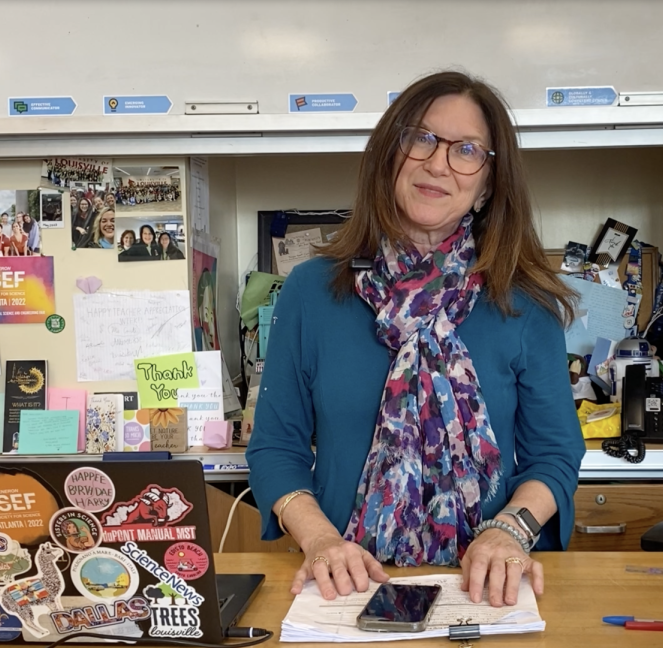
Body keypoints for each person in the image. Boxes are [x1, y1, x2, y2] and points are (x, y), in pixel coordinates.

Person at [245, 71, 585, 609]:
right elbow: (276, 449)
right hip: (345, 585)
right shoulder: (312, 292)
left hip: (483, 591)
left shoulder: (522, 300)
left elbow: (556, 454)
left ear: (489, 183)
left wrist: (510, 532)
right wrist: (321, 540)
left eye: (467, 150)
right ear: (389, 154)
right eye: (420, 138)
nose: (438, 163)